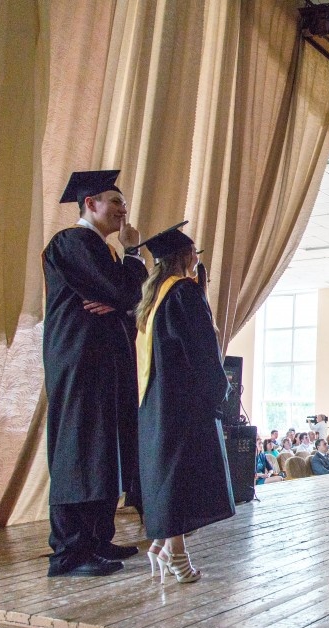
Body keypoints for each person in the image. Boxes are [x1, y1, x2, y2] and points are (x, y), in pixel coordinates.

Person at [43, 170, 147, 577]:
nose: (123, 210)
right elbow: (123, 292)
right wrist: (132, 260)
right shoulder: (72, 242)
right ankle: (69, 552)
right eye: (116, 202)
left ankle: (97, 538)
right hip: (78, 360)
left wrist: (119, 303)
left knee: (105, 449)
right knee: (78, 450)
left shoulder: (104, 251)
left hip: (103, 363)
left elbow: (125, 300)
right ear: (90, 203)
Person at [134, 222, 235, 584]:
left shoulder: (153, 296)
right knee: (179, 476)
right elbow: (201, 349)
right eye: (194, 252)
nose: (197, 258)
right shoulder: (183, 294)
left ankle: (163, 546)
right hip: (182, 402)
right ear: (185, 256)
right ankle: (174, 552)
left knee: (169, 474)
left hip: (156, 401)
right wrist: (219, 393)